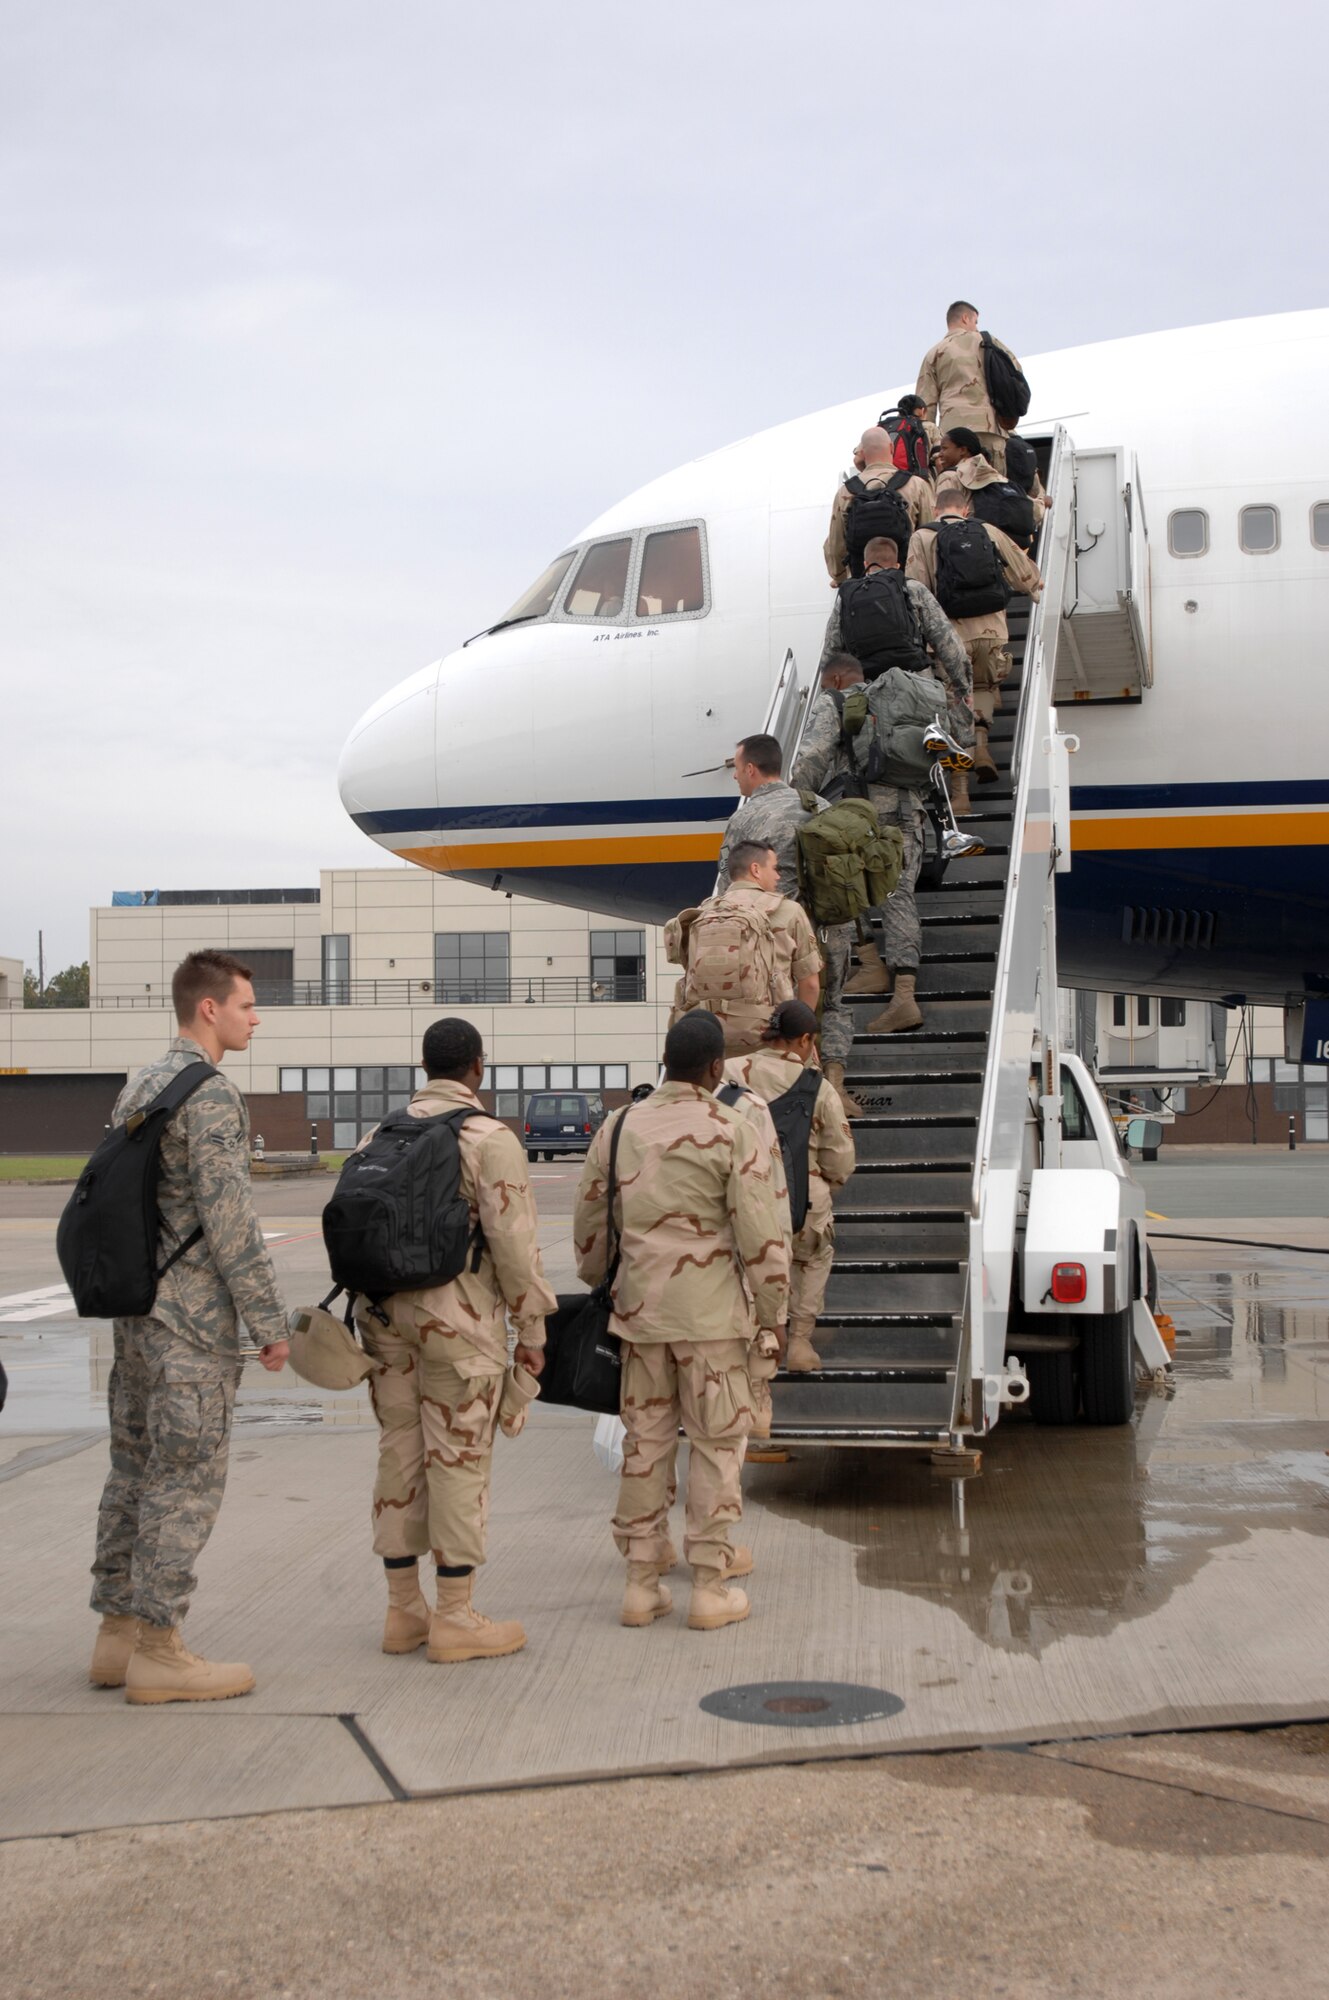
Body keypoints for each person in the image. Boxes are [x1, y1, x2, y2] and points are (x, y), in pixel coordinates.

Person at [88, 950, 290, 1705]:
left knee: (132, 1472)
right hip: (192, 1327)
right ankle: (160, 1651)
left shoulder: (140, 1084)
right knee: (185, 1481)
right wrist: (269, 1324)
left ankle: (115, 1637)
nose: (254, 1016)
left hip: (137, 1317)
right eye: (245, 1004)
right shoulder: (209, 1096)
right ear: (209, 1009)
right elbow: (229, 1221)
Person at [574, 1010, 790, 1632]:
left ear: (666, 1062)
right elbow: (762, 1232)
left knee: (646, 1445)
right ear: (717, 1067)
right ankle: (710, 1585)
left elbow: (591, 1225)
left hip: (639, 1319)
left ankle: (641, 1585)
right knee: (718, 1448)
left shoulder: (619, 1126)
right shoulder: (732, 1127)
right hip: (712, 1321)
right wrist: (773, 1315)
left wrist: (605, 1289)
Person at [351, 1017, 555, 1665]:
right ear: (477, 1068)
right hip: (458, 1326)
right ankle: (457, 1616)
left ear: (425, 1066)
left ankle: (402, 1611)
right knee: (458, 1460)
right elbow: (515, 1248)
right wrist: (533, 1332)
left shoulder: (379, 1133)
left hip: (383, 1322)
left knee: (400, 1454)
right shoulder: (488, 1138)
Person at [724, 1000, 856, 1375]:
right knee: (812, 1258)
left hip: (744, 1193)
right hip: (803, 1200)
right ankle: (798, 1341)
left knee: (743, 1261)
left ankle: (753, 1340)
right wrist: (822, 1181)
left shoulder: (730, 1074)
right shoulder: (819, 1087)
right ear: (803, 1040)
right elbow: (841, 1159)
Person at [907, 485, 1043, 786]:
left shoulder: (923, 537)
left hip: (949, 636)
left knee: (957, 702)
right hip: (991, 631)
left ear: (935, 510)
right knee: (982, 688)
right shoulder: (988, 530)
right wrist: (1035, 589)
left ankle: (961, 794)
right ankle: (982, 748)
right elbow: (1025, 574)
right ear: (965, 510)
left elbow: (916, 590)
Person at [790, 653, 875, 1114]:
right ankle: (838, 1086)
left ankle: (810, 1085)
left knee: (809, 989)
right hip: (868, 829)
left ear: (837, 678)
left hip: (833, 827)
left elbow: (815, 754)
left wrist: (795, 794)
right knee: (839, 994)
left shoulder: (832, 702)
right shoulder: (884, 700)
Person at [668, 840, 822, 1054]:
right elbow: (811, 985)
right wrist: (801, 1037)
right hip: (767, 1037)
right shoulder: (789, 911)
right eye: (775, 868)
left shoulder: (702, 913)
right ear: (756, 869)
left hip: (708, 1035)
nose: (778, 876)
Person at [915, 301, 1026, 473]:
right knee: (993, 490)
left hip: (953, 437)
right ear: (966, 318)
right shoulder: (987, 341)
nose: (976, 327)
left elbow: (924, 407)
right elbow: (1015, 372)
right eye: (975, 321)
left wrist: (934, 446)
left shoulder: (934, 354)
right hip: (991, 430)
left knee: (958, 491)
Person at [824, 426, 934, 586]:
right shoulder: (916, 485)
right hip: (906, 584)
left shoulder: (845, 491)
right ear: (892, 448)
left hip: (862, 586)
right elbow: (929, 535)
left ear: (862, 453)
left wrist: (840, 578)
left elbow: (836, 546)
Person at [715, 732, 811, 900]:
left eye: (737, 768)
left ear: (750, 769)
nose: (735, 775)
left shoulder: (742, 819)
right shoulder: (819, 805)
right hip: (828, 921)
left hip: (774, 920)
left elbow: (727, 876)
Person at [936, 427, 1036, 552]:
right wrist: (1044, 501)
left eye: (944, 448)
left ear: (962, 450)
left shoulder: (949, 476)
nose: (940, 453)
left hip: (969, 550)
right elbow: (1034, 509)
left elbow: (942, 521)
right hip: (1005, 552)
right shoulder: (998, 477)